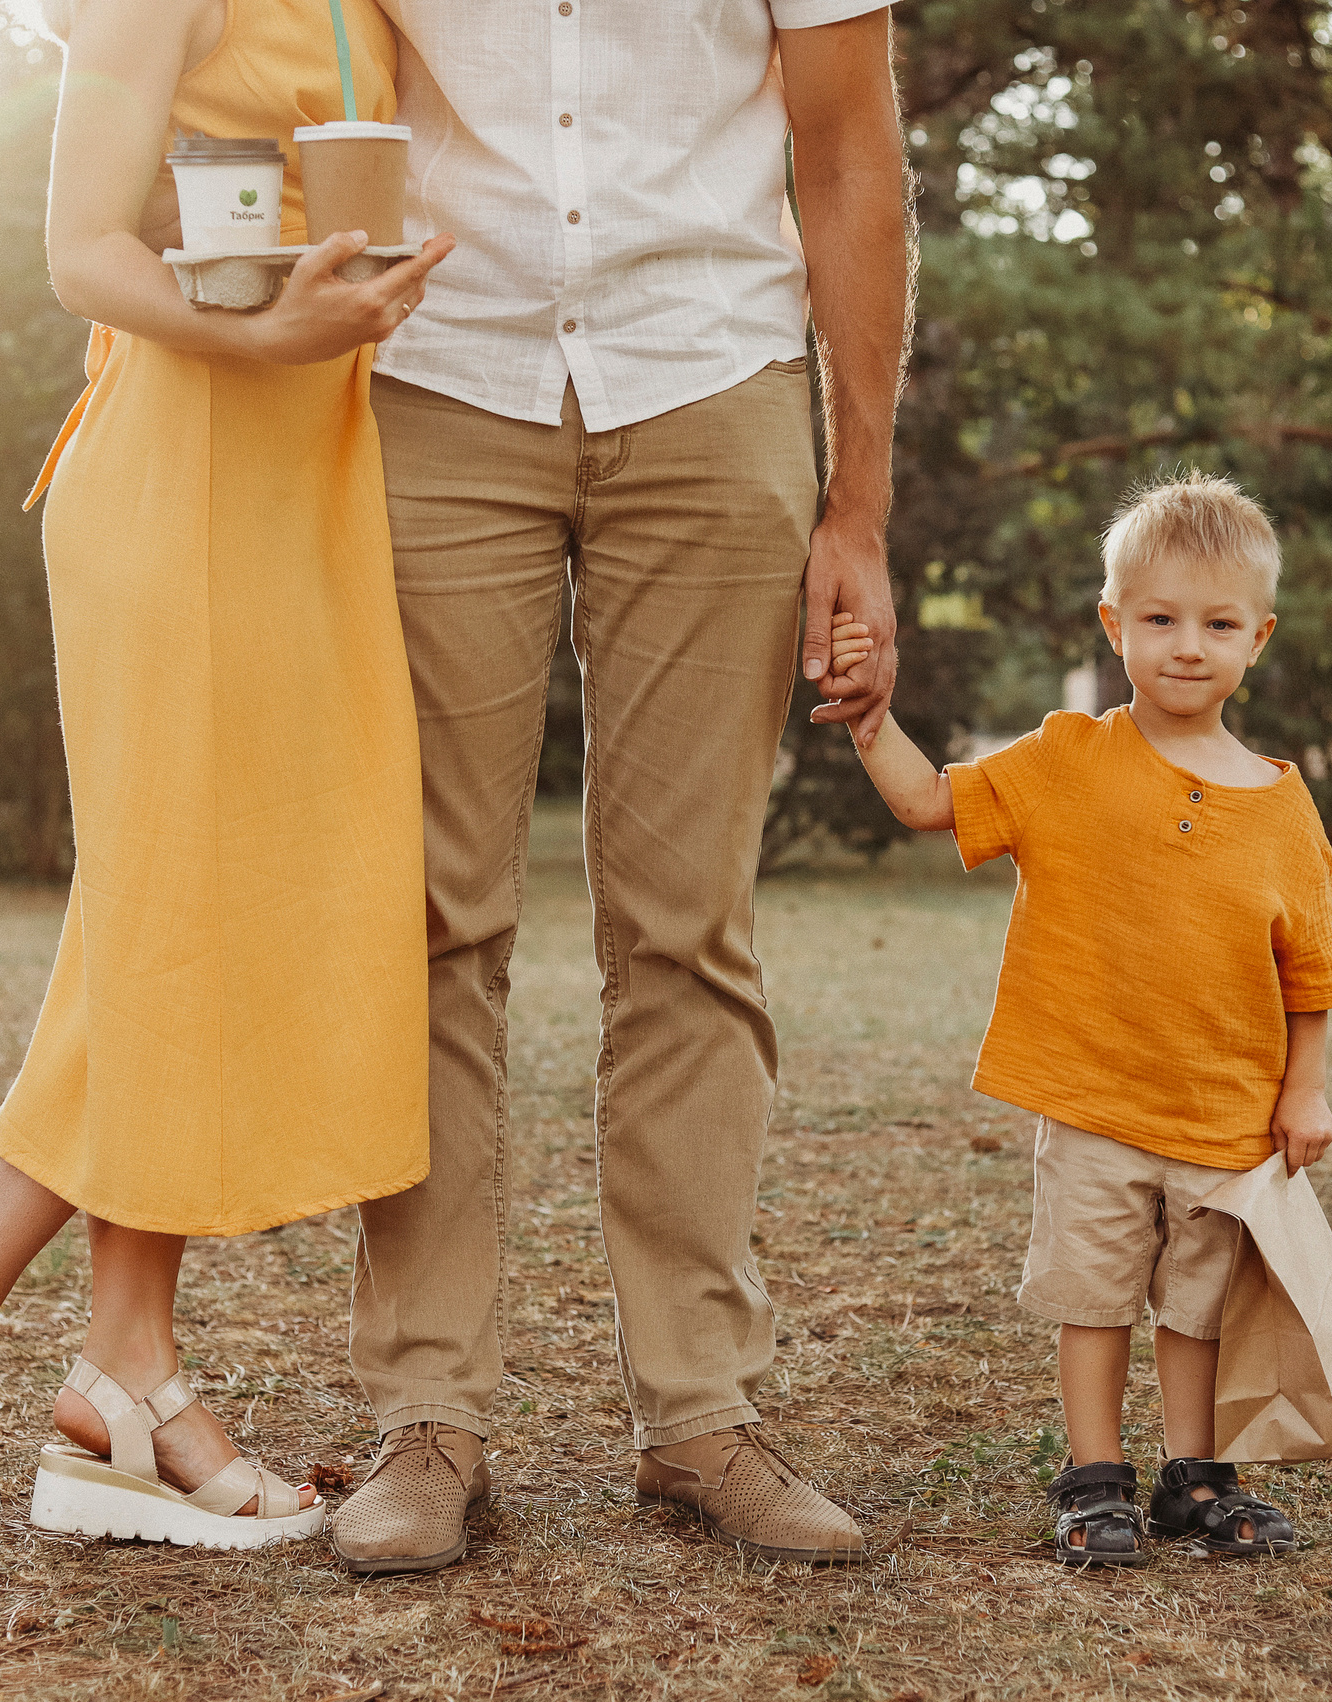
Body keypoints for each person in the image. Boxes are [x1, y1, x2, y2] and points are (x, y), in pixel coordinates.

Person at [0, 0, 452, 1559]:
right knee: (170, 919)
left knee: (191, 926)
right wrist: (257, 331)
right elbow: (82, 247)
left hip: (299, 482)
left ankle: (126, 1369)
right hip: (186, 463)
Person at [324, 1, 913, 1573]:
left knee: (687, 927)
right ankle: (427, 1413)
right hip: (437, 379)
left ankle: (702, 1408)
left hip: (714, 376)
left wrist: (858, 504)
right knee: (434, 918)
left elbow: (851, 148)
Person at [833, 472, 1332, 1566]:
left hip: (1222, 1117)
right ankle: (1093, 1478)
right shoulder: (1067, 759)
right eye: (1159, 619)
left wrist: (1302, 1086)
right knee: (1095, 1296)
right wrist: (870, 724)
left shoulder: (1280, 799)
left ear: (1257, 639)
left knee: (1196, 1308)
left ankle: (1194, 1478)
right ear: (1114, 623)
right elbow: (933, 801)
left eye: (1217, 624)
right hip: (1093, 1101)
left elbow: (1311, 967)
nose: (1185, 646)